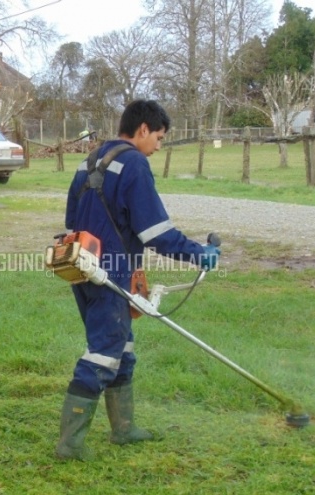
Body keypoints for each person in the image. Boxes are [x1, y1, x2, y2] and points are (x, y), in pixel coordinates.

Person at [55, 99, 220, 461]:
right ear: (142, 129)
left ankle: (124, 428)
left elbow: (71, 220)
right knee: (103, 353)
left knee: (122, 349)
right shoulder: (133, 164)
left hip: (82, 266)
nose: (159, 146)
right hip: (110, 274)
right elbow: (156, 231)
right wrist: (198, 253)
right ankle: (69, 445)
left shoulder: (90, 160)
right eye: (159, 137)